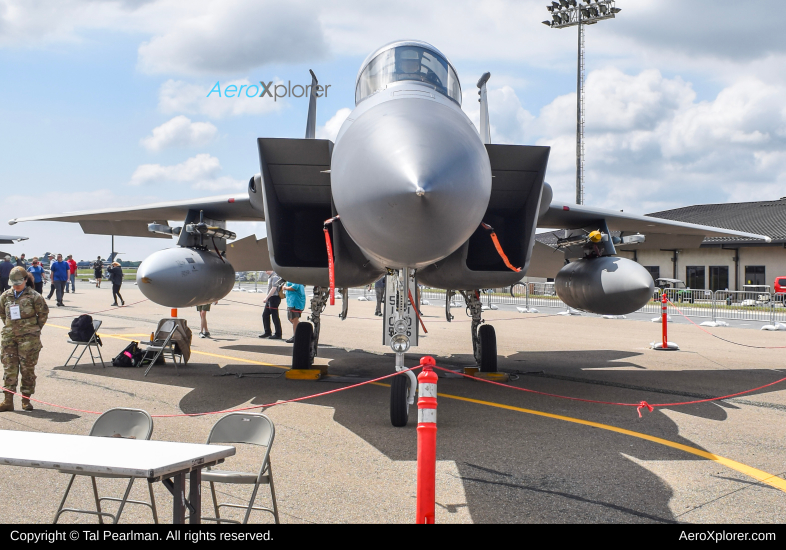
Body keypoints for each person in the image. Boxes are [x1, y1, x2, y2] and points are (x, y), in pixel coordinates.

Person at [0, 266, 48, 412]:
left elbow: (43, 315)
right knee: (9, 369)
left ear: (25, 280)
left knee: (27, 370)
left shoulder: (35, 296)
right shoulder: (5, 296)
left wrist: (32, 330)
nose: (16, 285)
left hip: (29, 340)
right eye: (13, 282)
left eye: (19, 282)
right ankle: (8, 401)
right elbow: (2, 314)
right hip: (9, 339)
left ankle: (26, 400)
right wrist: (10, 328)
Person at [259, 271, 283, 340]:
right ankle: (267, 332)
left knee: (274, 316)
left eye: (267, 269)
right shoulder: (271, 277)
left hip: (274, 298)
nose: (265, 271)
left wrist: (266, 298)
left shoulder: (275, 276)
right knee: (265, 315)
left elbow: (274, 288)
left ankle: (278, 334)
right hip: (271, 298)